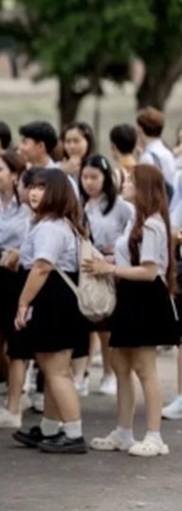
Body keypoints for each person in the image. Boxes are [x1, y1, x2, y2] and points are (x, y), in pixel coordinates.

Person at [85, 165, 180, 456]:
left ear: (143, 187)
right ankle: (123, 431)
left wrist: (110, 267)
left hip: (145, 298)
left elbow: (151, 272)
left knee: (144, 368)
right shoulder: (136, 220)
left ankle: (154, 436)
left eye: (129, 180)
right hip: (129, 296)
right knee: (121, 365)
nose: (124, 184)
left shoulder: (151, 224)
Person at [12, 169, 90, 454]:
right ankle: (49, 427)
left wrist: (23, 303)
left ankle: (73, 432)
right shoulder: (59, 224)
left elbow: (42, 267)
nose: (34, 192)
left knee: (56, 371)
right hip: (59, 299)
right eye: (32, 186)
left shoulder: (50, 227)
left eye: (42, 188)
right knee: (53, 369)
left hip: (51, 299)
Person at [0, 152, 33, 429]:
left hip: (18, 276)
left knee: (17, 339)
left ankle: (15, 402)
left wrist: (18, 253)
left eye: (0, 169)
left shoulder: (27, 206)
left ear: (15, 174)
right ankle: (16, 389)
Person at [79, 155, 133, 397]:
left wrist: (115, 250)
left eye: (94, 177)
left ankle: (109, 374)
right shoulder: (79, 204)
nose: (89, 182)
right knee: (85, 323)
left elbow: (131, 235)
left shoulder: (121, 207)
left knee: (105, 326)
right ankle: (82, 373)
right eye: (85, 177)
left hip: (111, 269)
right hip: (85, 267)